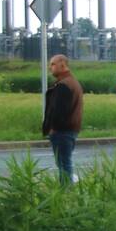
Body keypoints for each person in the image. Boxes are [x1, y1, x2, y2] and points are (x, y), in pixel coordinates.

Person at [42, 54, 84, 184]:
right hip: (69, 130)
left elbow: (59, 111)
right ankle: (66, 191)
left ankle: (66, 192)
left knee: (64, 165)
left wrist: (53, 128)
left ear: (62, 64)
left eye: (53, 64)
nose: (50, 67)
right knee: (64, 163)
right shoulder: (70, 82)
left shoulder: (64, 85)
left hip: (62, 131)